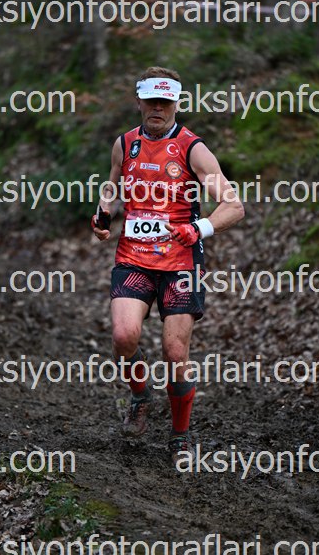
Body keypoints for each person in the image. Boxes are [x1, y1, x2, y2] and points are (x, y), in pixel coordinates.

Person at [92, 66, 244, 466]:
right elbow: (112, 184)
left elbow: (233, 205)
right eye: (151, 101)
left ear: (176, 103)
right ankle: (140, 396)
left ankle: (180, 435)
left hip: (179, 262)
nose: (157, 108)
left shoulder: (193, 149)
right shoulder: (125, 144)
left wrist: (199, 228)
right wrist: (104, 212)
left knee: (175, 353)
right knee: (124, 337)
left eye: (165, 101)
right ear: (139, 102)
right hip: (133, 257)